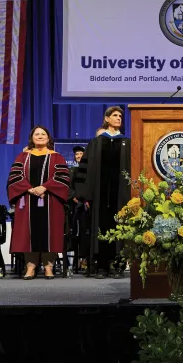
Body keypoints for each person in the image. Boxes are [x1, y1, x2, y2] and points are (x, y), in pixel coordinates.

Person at [73, 106, 131, 278]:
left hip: (121, 196)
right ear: (107, 119)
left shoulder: (127, 143)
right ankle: (100, 266)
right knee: (99, 227)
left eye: (120, 116)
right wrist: (86, 195)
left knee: (120, 227)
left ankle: (117, 265)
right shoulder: (95, 143)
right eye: (115, 115)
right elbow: (85, 170)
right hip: (98, 195)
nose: (119, 118)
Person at [8, 126, 71, 279]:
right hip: (27, 200)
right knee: (27, 234)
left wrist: (44, 187)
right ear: (32, 138)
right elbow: (15, 176)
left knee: (50, 233)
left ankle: (48, 266)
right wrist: (29, 189)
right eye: (37, 134)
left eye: (43, 134)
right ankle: (30, 266)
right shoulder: (22, 157)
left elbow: (63, 177)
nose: (40, 136)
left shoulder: (57, 157)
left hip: (51, 200)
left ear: (48, 138)